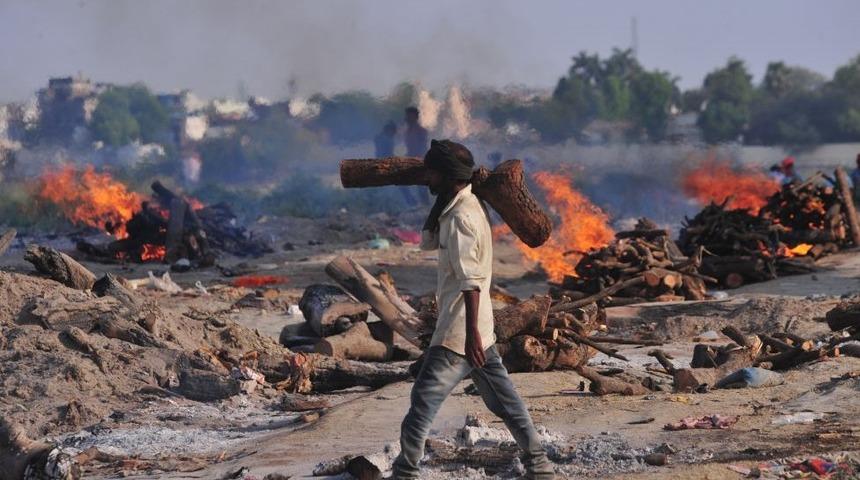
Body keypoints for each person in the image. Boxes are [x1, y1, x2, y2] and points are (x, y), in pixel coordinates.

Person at [391, 140, 556, 480]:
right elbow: (427, 241)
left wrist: (470, 338)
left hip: (460, 333)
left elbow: (471, 282)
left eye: (432, 173)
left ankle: (405, 472)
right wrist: (441, 198)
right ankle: (540, 468)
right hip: (478, 329)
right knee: (505, 402)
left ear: (448, 175)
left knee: (422, 403)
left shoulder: (462, 218)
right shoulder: (462, 206)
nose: (426, 179)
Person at [402, 107, 431, 206]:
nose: (407, 117)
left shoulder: (421, 131)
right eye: (407, 115)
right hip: (410, 160)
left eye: (409, 115)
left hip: (419, 161)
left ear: (415, 116)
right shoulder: (407, 131)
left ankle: (425, 207)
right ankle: (414, 204)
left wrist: (420, 159)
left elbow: (422, 148)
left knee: (421, 187)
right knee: (403, 184)